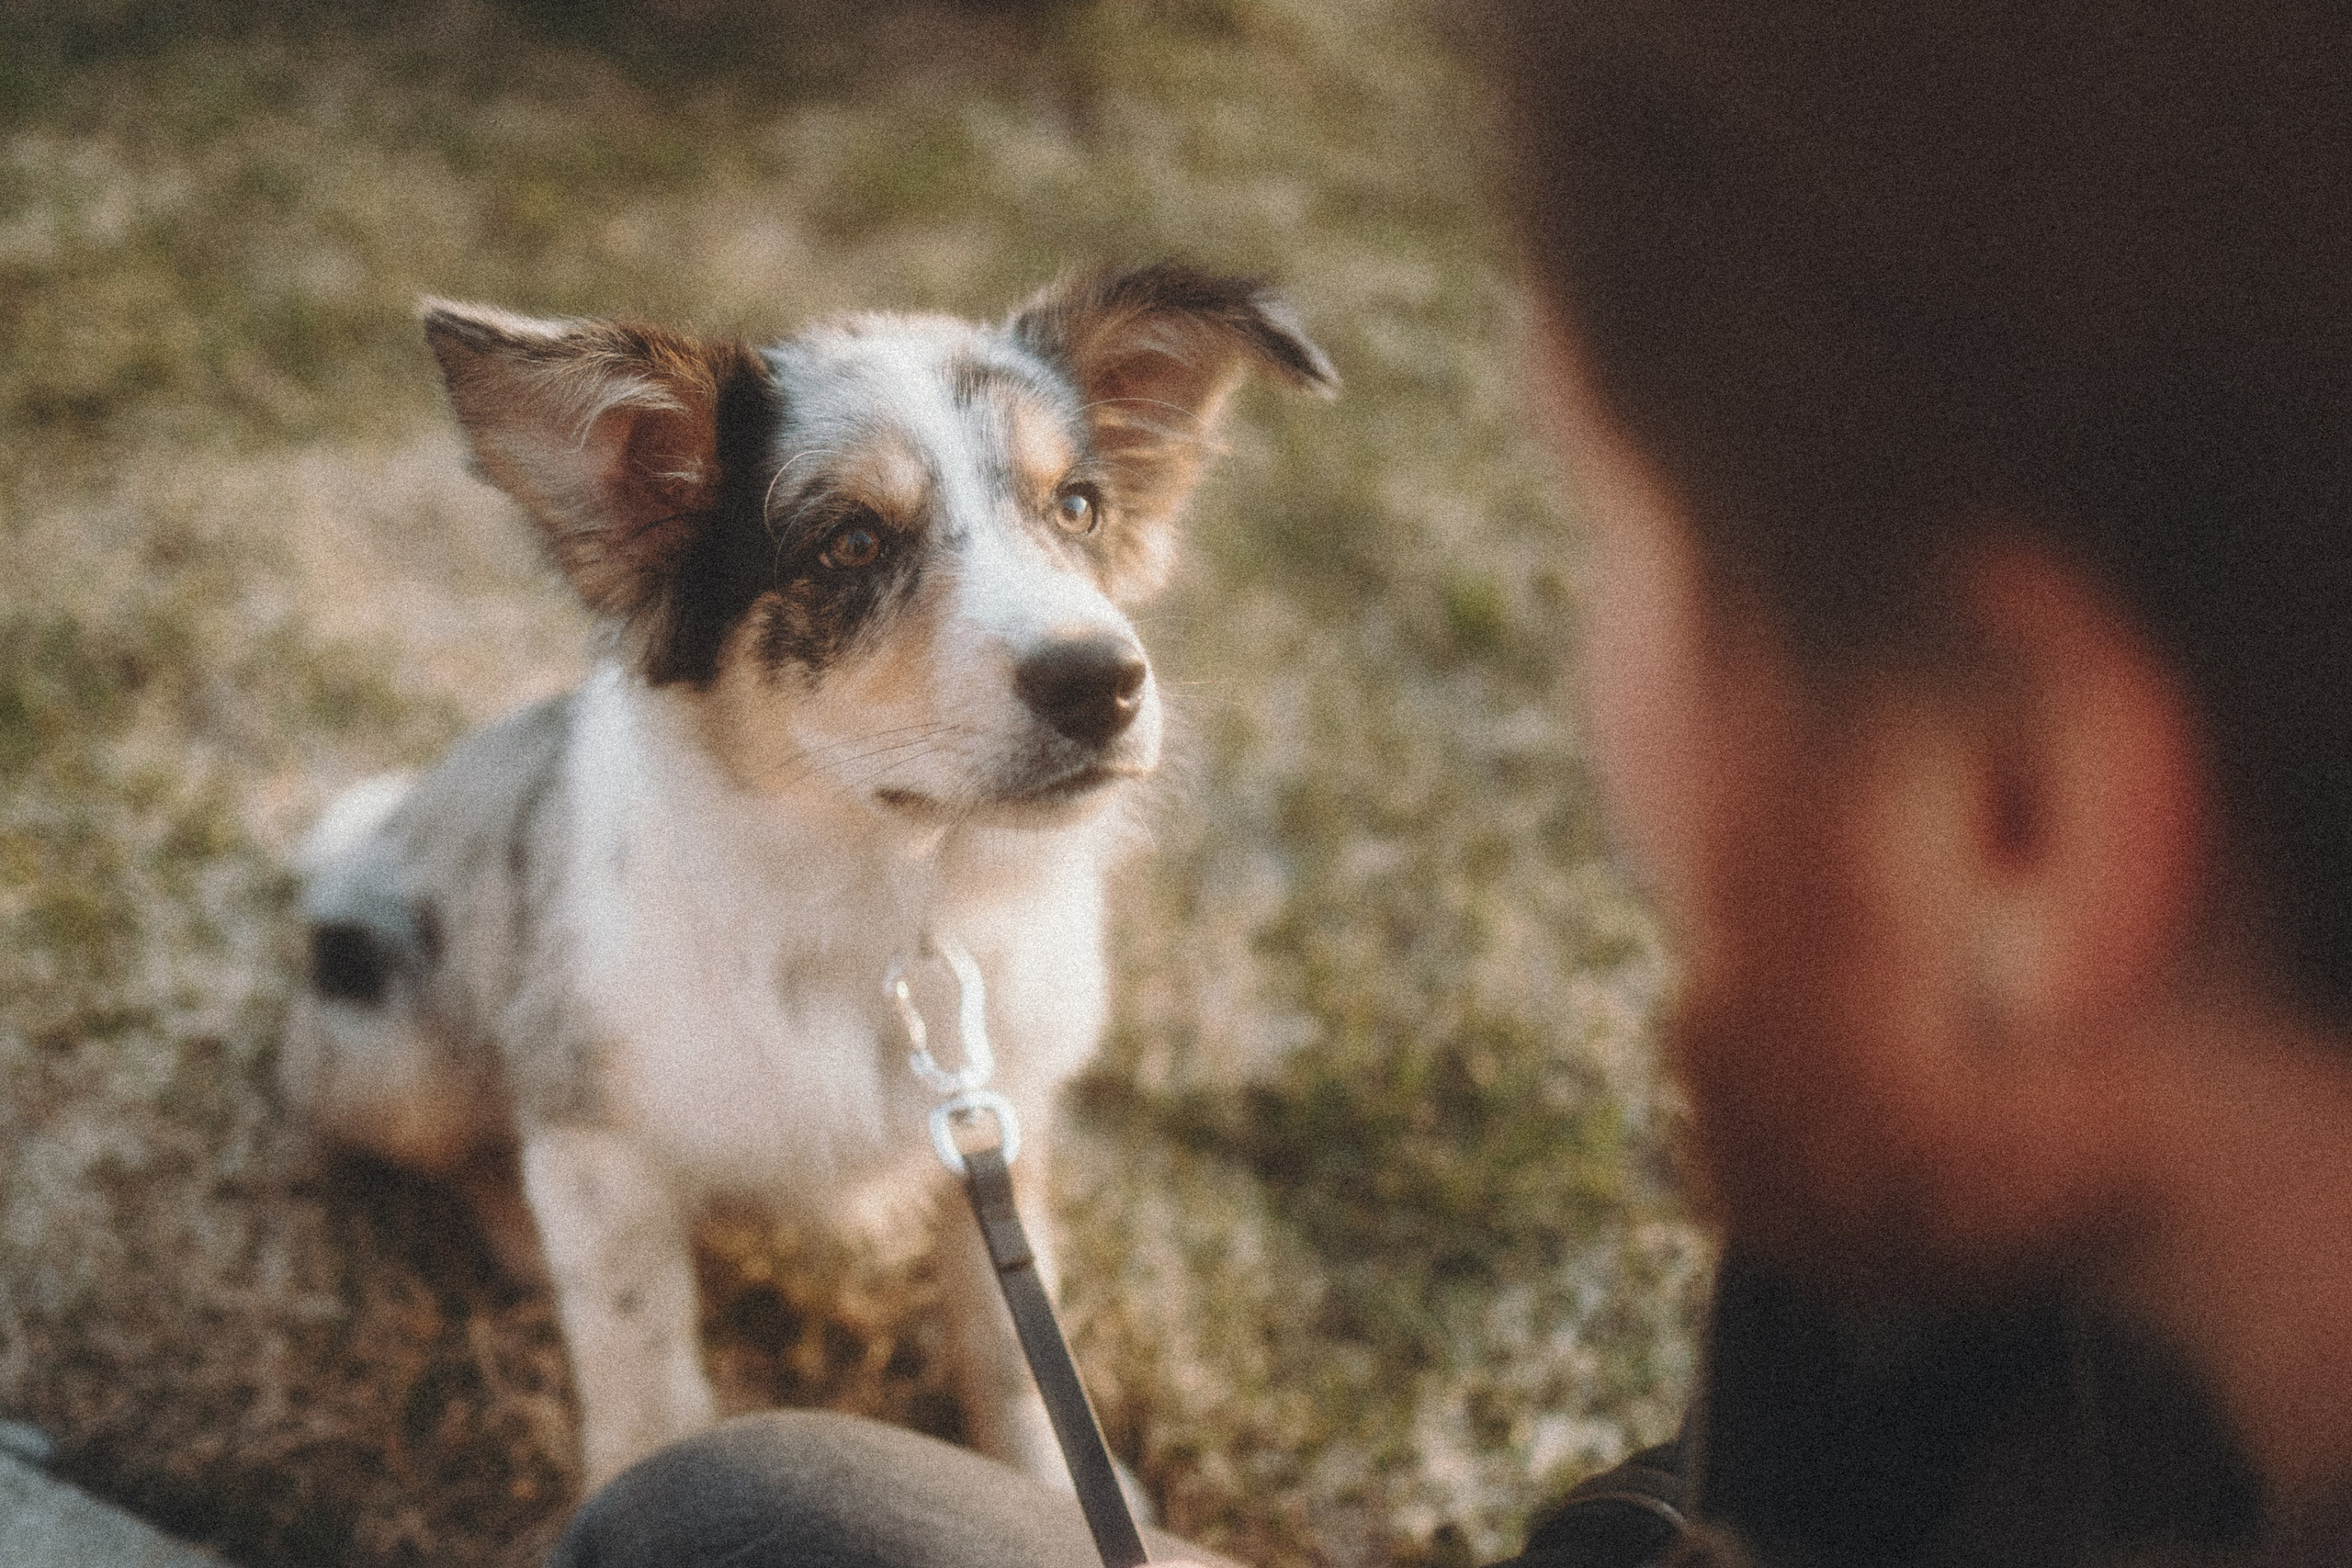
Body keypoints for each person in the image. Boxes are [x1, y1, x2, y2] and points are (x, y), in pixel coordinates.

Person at [553, 3, 2352, 1563]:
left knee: (705, 1527)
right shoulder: (1997, 1246)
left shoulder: (1935, 1194)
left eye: (1613, 550)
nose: (1578, 698)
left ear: (2021, 806)